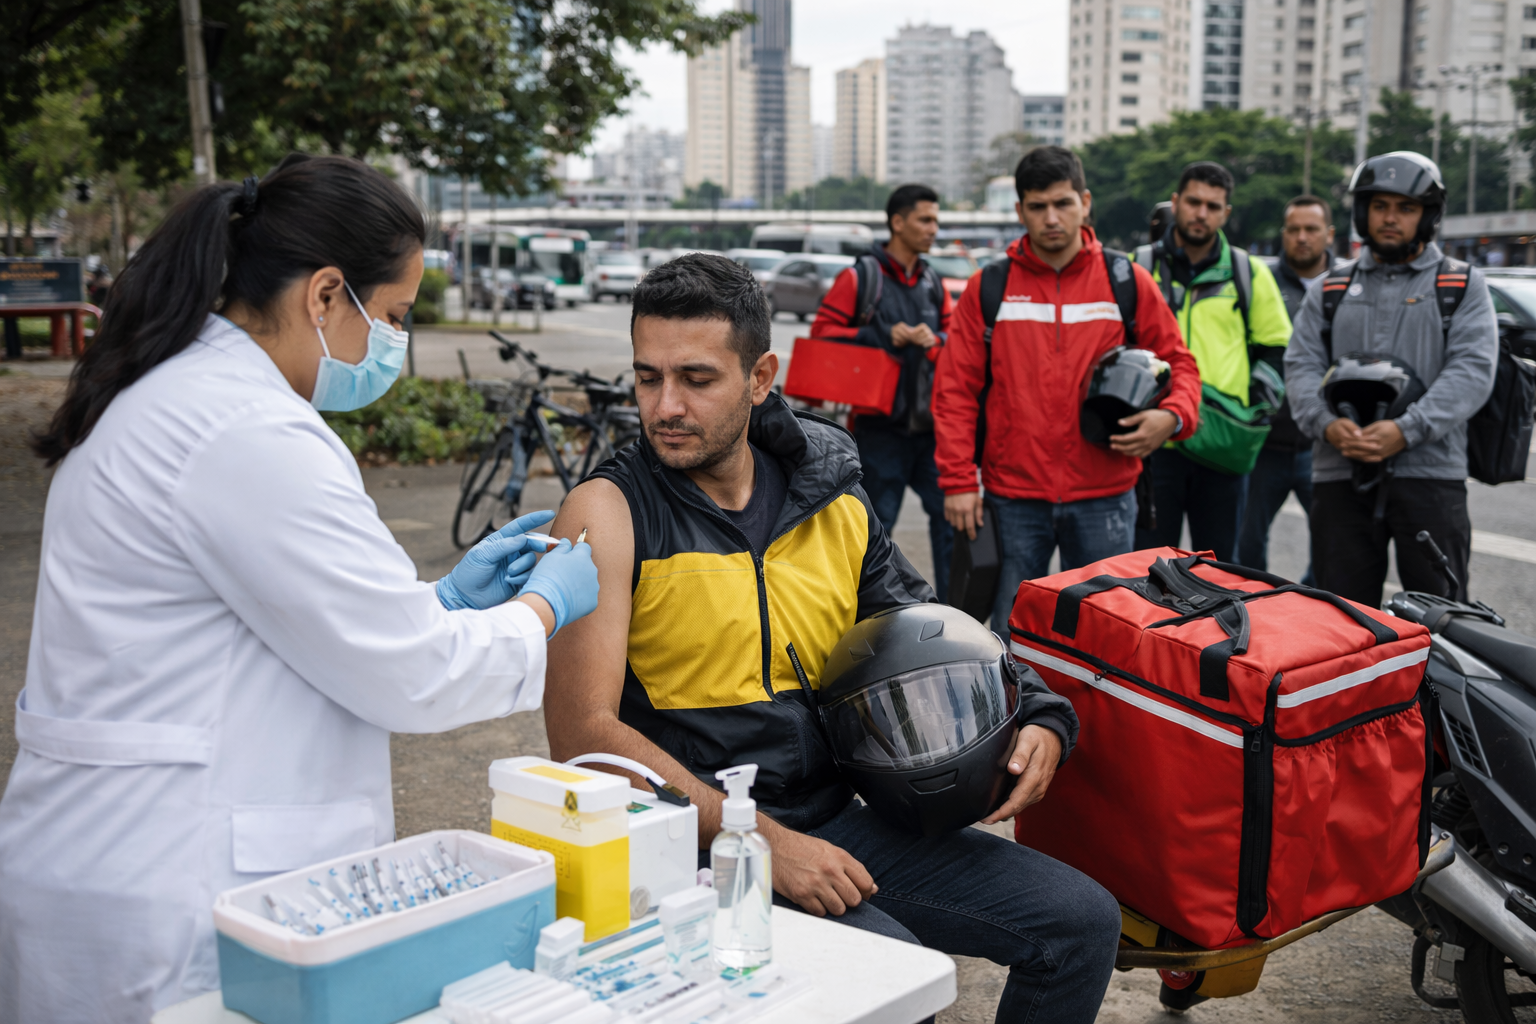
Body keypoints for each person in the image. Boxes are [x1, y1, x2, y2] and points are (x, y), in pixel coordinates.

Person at [0, 155, 600, 1023]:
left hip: (116, 848)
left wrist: (441, 603)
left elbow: (287, 622)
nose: (393, 343)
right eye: (393, 317)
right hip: (170, 876)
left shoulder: (182, 395)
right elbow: (413, 675)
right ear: (325, 295)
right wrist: (542, 608)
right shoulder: (245, 430)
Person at [542, 253, 1122, 1024]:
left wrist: (1040, 709)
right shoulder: (607, 512)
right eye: (648, 378)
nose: (665, 406)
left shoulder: (830, 496)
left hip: (833, 815)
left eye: (696, 379)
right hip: (692, 843)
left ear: (761, 377)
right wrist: (761, 842)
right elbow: (582, 736)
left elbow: (927, 622)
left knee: (1082, 923)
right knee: (900, 983)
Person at [934, 146, 1202, 634]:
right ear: (1020, 211)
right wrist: (958, 482)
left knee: (1105, 637)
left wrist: (1172, 418)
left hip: (1106, 497)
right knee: (1014, 636)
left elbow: (1180, 364)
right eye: (1038, 207)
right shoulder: (989, 286)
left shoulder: (1127, 281)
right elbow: (955, 390)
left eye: (1063, 203)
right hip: (1013, 499)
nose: (1052, 218)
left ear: (1085, 202)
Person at [1285, 151, 1498, 606]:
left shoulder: (1461, 284)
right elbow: (1300, 366)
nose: (1390, 218)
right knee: (1342, 620)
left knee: (1441, 619)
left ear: (1428, 215)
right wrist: (1327, 424)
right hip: (1339, 472)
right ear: (1363, 211)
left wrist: (1407, 429)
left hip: (1430, 473)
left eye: (1406, 207)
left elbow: (1472, 370)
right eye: (1380, 206)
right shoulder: (1329, 288)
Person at [1133, 161, 1293, 560]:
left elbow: (1277, 349)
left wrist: (1252, 413)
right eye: (1193, 202)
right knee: (1145, 569)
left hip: (1223, 445)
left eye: (1213, 206)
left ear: (1226, 213)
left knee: (1220, 571)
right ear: (1175, 202)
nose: (1201, 213)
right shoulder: (1139, 267)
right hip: (1154, 443)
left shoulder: (1247, 272)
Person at [810, 183, 956, 599]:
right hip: (878, 431)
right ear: (898, 222)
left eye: (936, 220)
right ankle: (871, 616)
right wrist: (882, 335)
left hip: (929, 430)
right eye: (925, 219)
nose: (933, 229)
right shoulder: (861, 277)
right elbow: (821, 335)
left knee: (952, 525)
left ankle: (954, 615)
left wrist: (935, 340)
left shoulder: (932, 281)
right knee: (871, 532)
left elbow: (954, 341)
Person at [1236, 195, 1342, 578]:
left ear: (1329, 234)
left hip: (1326, 445)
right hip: (1266, 443)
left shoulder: (1348, 285)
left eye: (1311, 229)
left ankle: (1309, 604)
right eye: (1294, 229)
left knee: (1334, 547)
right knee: (1246, 549)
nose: (1302, 237)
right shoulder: (1259, 282)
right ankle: (1253, 610)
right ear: (1283, 234)